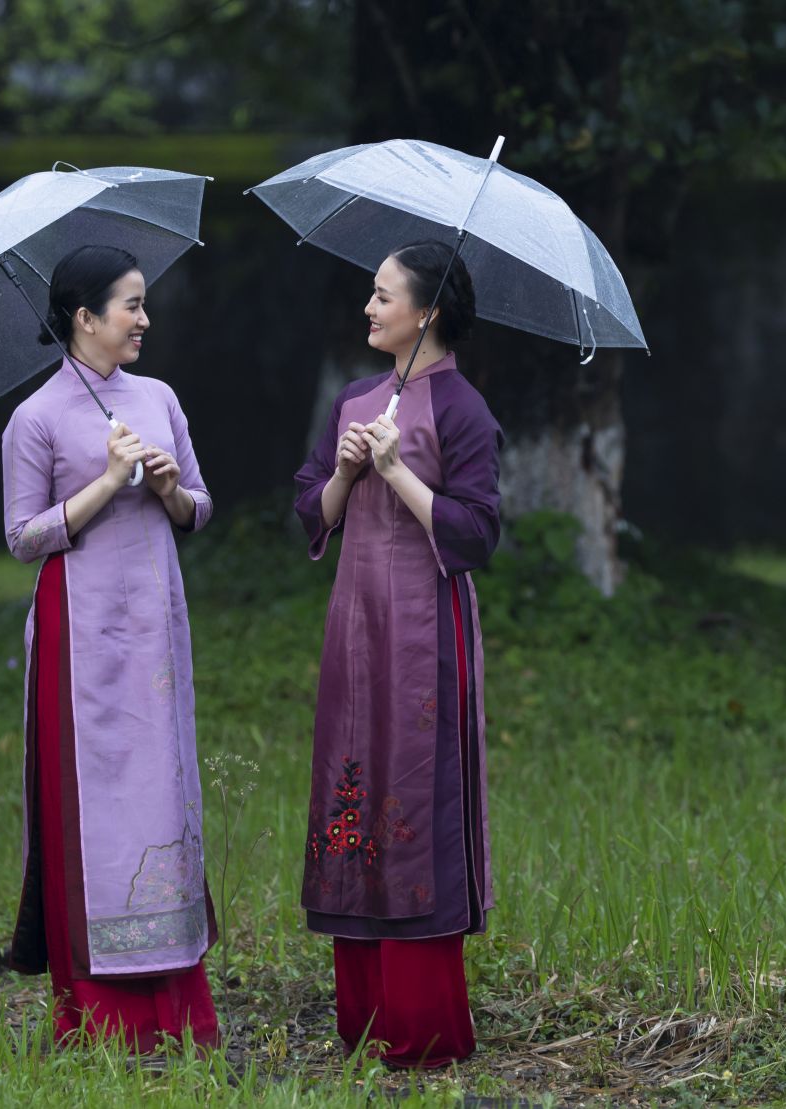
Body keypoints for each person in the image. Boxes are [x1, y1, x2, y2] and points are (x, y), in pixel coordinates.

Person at [1, 244, 218, 1053]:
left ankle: (175, 1009)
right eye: (130, 304)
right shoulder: (37, 417)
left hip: (155, 629)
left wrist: (165, 486)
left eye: (143, 303)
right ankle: (98, 1016)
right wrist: (102, 483)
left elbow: (199, 506)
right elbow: (22, 537)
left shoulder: (158, 396)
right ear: (84, 317)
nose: (144, 319)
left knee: (157, 796)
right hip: (79, 634)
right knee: (92, 807)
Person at [293, 239, 503, 1068]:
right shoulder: (354, 399)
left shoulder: (463, 411)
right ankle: (363, 1012)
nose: (370, 308)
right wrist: (347, 473)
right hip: (356, 627)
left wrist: (401, 474)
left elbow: (479, 529)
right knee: (355, 784)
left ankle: (423, 1022)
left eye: (384, 296)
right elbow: (309, 507)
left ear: (428, 312)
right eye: (371, 295)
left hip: (426, 630)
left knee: (416, 795)